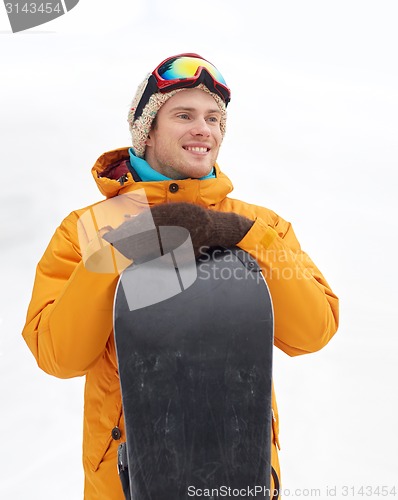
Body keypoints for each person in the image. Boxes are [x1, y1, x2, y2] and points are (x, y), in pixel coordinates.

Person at [22, 53, 339, 499]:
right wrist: (120, 249)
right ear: (147, 129)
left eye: (214, 118)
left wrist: (247, 238)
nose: (203, 129)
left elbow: (312, 333)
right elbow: (59, 355)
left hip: (241, 480)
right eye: (183, 115)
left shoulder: (262, 226)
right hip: (125, 485)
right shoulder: (85, 229)